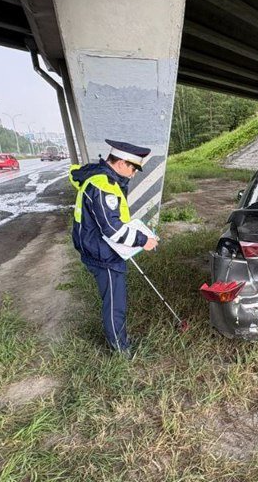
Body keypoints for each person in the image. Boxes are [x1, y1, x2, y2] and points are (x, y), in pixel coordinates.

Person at [70, 140, 159, 356]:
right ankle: (120, 348)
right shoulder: (103, 186)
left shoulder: (102, 179)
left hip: (100, 248)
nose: (133, 173)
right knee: (114, 302)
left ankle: (120, 338)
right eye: (132, 167)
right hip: (103, 253)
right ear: (119, 162)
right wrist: (142, 240)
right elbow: (113, 230)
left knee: (114, 297)